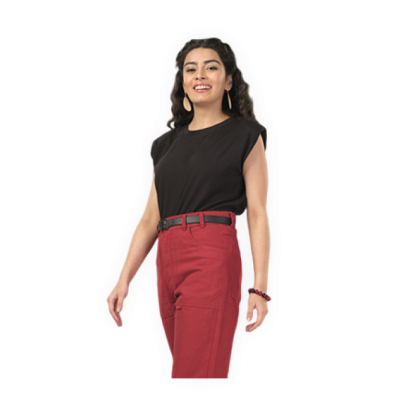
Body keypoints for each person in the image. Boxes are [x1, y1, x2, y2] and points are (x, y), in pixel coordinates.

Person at [106, 37, 271, 379]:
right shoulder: (163, 145)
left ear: (228, 80)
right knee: (187, 369)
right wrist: (123, 280)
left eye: (211, 67)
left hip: (211, 253)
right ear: (182, 82)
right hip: (167, 258)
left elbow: (258, 213)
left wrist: (259, 289)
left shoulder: (245, 135)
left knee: (197, 370)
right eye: (191, 69)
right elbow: (150, 219)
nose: (200, 75)